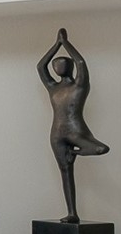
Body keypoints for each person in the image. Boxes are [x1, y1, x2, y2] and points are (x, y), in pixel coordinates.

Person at [38, 28, 111, 222]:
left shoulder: (79, 85)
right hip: (57, 133)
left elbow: (80, 62)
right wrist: (56, 45)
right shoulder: (53, 87)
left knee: (100, 148)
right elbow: (40, 67)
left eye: (60, 64)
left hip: (76, 131)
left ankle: (77, 152)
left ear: (68, 67)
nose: (56, 68)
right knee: (65, 171)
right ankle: (72, 213)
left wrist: (66, 43)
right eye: (55, 65)